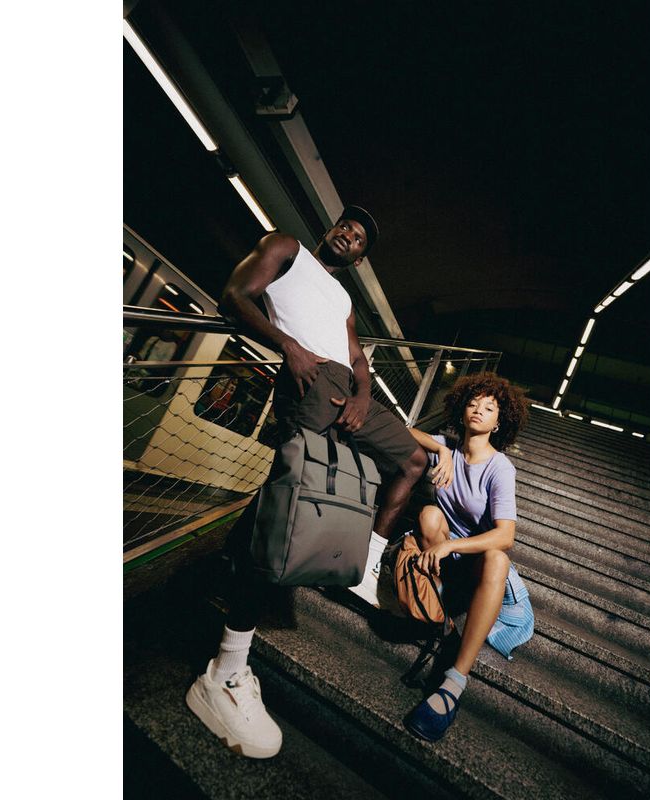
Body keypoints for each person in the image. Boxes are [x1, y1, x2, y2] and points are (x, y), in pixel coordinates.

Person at [185, 205, 428, 758]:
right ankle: (225, 670)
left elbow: (359, 358)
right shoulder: (286, 247)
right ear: (329, 231)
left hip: (347, 391)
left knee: (413, 460)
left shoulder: (342, 298)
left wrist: (363, 396)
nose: (348, 235)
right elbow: (235, 296)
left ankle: (366, 559)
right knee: (290, 507)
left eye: (359, 237)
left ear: (360, 258)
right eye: (345, 226)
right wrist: (288, 348)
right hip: (309, 377)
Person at [402, 372, 534, 742]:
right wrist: (443, 450)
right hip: (448, 564)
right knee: (429, 515)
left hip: (473, 562)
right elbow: (405, 430)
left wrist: (450, 546)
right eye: (473, 404)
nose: (478, 410)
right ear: (462, 410)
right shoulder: (449, 449)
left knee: (498, 559)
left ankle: (454, 682)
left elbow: (505, 536)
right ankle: (444, 614)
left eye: (489, 408)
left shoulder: (500, 468)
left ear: (499, 422)